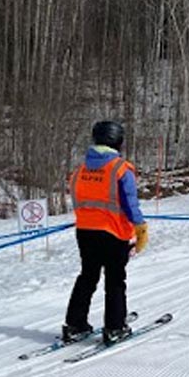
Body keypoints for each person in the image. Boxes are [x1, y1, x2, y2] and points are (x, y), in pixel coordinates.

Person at [63, 120, 149, 345]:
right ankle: (114, 327)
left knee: (87, 277)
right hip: (113, 232)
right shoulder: (120, 168)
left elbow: (76, 197)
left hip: (85, 231)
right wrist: (140, 227)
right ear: (118, 141)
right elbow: (130, 203)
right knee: (115, 280)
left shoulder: (81, 169)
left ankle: (74, 324)